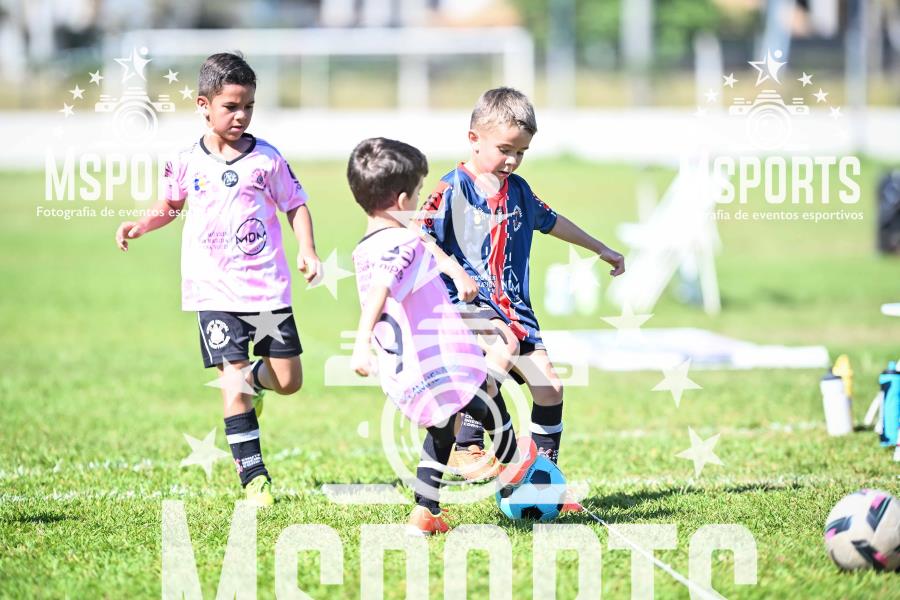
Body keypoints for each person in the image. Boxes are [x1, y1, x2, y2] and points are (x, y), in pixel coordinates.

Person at [114, 52, 319, 507]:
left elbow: (295, 204)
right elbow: (170, 205)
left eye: (248, 106)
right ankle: (255, 478)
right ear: (203, 105)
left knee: (289, 380)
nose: (241, 115)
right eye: (231, 106)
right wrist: (142, 224)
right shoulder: (187, 160)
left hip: (266, 289)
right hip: (213, 291)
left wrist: (307, 249)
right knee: (232, 380)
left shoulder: (267, 159)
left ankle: (259, 383)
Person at [418, 87, 625, 510]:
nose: (512, 160)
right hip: (466, 309)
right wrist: (455, 271)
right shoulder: (453, 188)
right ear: (474, 138)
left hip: (515, 310)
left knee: (549, 387)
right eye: (505, 149)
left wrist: (600, 247)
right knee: (502, 345)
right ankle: (467, 442)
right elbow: (419, 235)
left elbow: (551, 221)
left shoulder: (519, 191)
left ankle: (542, 481)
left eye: (521, 152)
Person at [347, 137, 537, 535]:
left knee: (443, 426)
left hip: (405, 367)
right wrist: (360, 346)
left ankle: (425, 511)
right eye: (418, 192)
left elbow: (421, 247)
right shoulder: (401, 244)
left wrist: (455, 273)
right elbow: (382, 290)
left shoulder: (366, 249)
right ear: (402, 200)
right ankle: (517, 467)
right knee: (486, 396)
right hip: (440, 356)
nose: (420, 200)